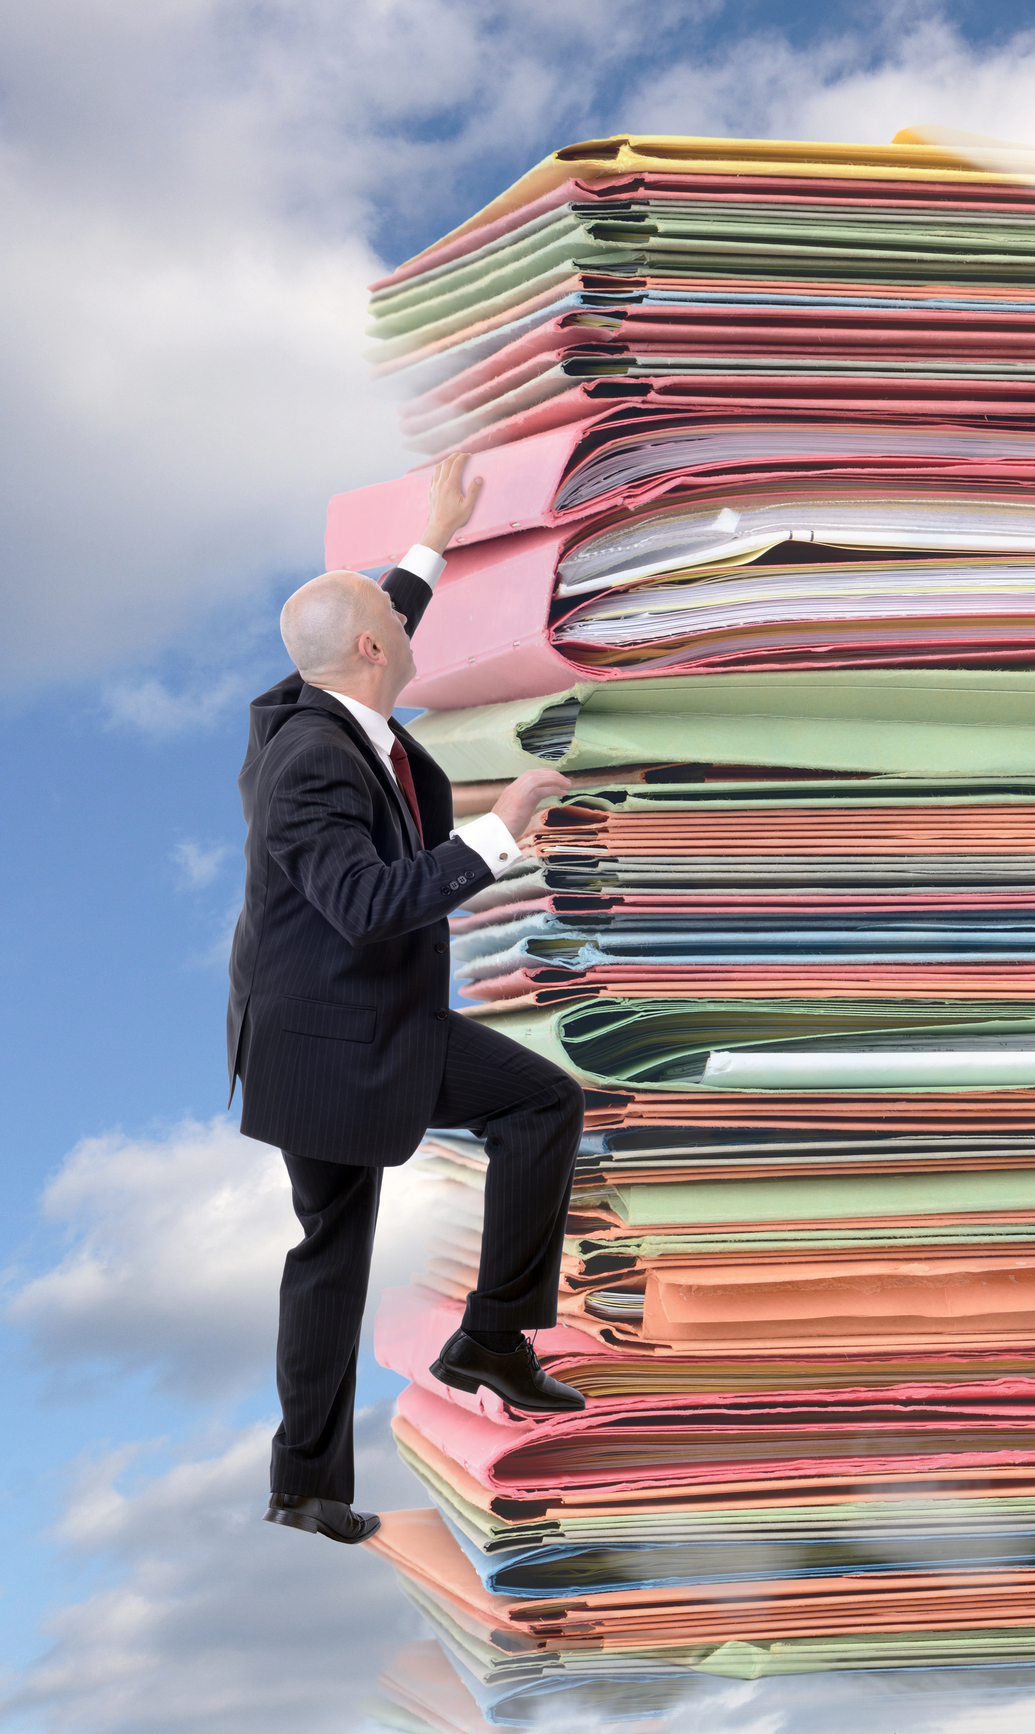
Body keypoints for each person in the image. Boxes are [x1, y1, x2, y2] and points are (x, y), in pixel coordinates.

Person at [228, 453, 587, 1548]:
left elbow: (370, 618)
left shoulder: (331, 700)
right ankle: (468, 1356)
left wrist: (431, 540)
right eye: (395, 610)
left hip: (342, 1016)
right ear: (374, 652)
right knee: (524, 1117)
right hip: (333, 1041)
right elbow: (366, 903)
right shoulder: (312, 762)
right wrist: (500, 829)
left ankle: (330, 1463)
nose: (404, 613)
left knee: (338, 1246)